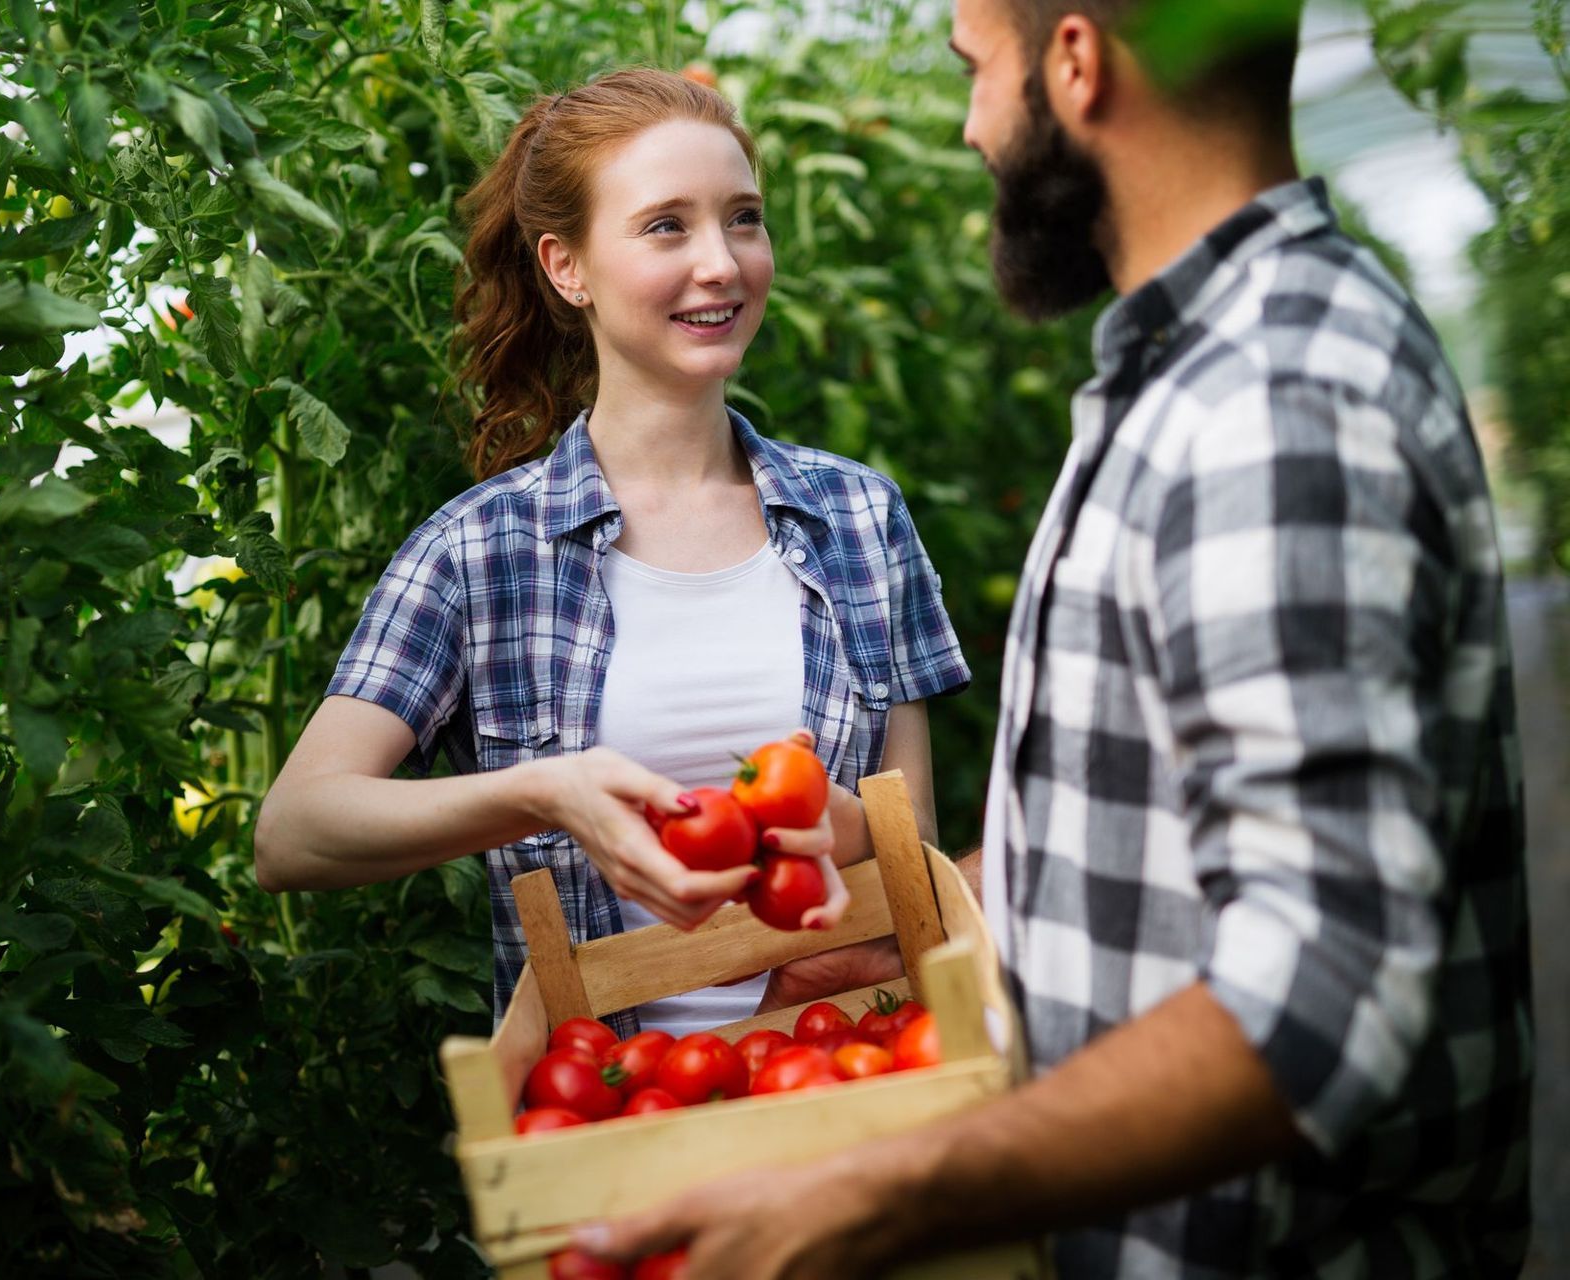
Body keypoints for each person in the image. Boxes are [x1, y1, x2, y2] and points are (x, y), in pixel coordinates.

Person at [574, 1, 1532, 1275]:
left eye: (979, 74)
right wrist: (931, 927)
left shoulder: (1273, 402)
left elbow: (1319, 988)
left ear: (1074, 63)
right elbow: (1157, 831)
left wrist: (883, 1190)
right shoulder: (1189, 372)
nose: (972, 129)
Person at [252, 68, 969, 1040]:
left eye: (743, 218)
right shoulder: (479, 551)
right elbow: (295, 830)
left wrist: (848, 828)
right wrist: (545, 790)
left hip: (835, 1075)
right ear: (567, 267)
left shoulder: (860, 518)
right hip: (601, 1103)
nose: (721, 261)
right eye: (666, 226)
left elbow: (914, 853)